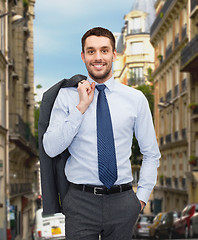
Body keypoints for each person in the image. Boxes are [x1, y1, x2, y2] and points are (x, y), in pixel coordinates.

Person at [42, 27, 161, 240]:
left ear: (114, 54)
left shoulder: (135, 99)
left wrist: (140, 198)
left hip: (123, 201)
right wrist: (80, 109)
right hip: (80, 202)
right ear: (83, 56)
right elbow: (50, 147)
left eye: (104, 51)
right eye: (91, 51)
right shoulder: (67, 97)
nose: (98, 57)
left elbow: (151, 153)